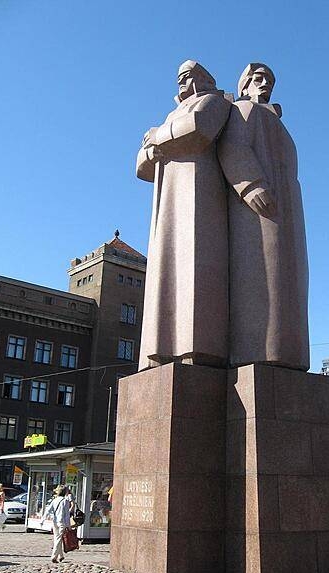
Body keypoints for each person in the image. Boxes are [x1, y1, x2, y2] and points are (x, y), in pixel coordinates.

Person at [136, 60, 231, 370]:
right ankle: (158, 351)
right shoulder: (171, 115)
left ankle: (195, 347)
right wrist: (155, 147)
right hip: (167, 201)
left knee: (195, 268)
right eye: (178, 76)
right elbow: (141, 166)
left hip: (200, 194)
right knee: (164, 270)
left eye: (187, 75)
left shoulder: (215, 100)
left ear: (202, 78)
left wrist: (158, 136)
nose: (181, 81)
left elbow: (200, 128)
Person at [218, 63, 310, 370]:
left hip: (287, 209)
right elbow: (233, 147)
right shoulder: (244, 110)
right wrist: (250, 185)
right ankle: (258, 351)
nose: (264, 84)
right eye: (257, 79)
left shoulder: (276, 122)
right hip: (257, 209)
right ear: (244, 85)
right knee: (263, 277)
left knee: (291, 280)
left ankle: (289, 355)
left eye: (269, 80)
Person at [41, 485, 71, 563]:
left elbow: (48, 510)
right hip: (62, 522)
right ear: (65, 492)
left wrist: (43, 519)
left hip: (55, 522)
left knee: (57, 538)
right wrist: (69, 525)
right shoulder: (65, 501)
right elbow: (67, 514)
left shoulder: (55, 500)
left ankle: (61, 556)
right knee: (58, 539)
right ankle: (54, 556)